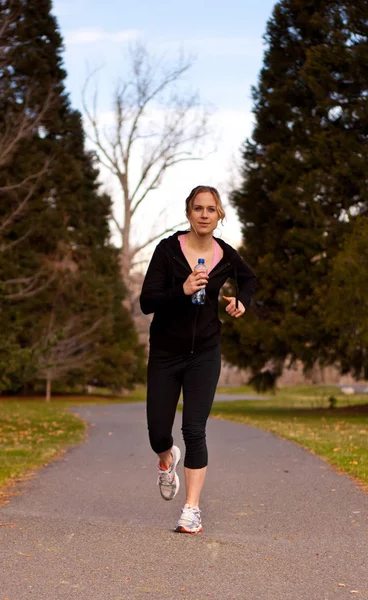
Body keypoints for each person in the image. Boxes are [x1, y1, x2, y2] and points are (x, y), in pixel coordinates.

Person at [139, 185, 257, 534]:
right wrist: (183, 290)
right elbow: (147, 301)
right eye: (197, 208)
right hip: (165, 352)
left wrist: (241, 301)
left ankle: (191, 509)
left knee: (194, 429)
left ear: (219, 215)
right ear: (188, 213)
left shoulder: (227, 256)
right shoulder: (167, 251)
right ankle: (166, 459)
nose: (204, 214)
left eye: (211, 209)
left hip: (204, 353)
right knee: (159, 433)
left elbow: (249, 279)